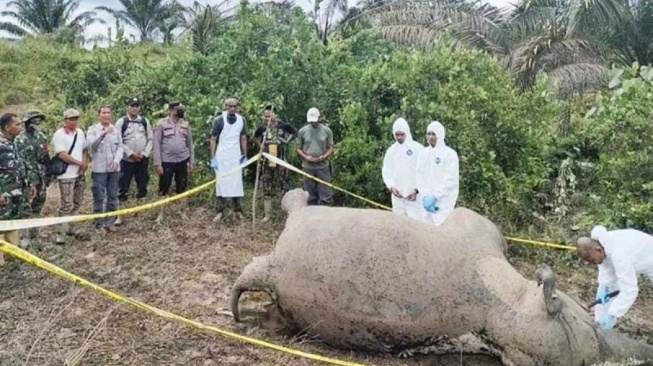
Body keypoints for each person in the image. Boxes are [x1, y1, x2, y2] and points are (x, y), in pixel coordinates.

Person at [577, 225, 653, 329]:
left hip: (649, 256)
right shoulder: (603, 246)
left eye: (592, 260)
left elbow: (630, 290)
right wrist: (604, 287)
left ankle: (607, 321)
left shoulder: (619, 256)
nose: (592, 264)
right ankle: (600, 326)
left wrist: (613, 314)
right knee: (607, 288)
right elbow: (606, 271)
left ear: (598, 250)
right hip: (634, 256)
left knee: (625, 288)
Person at [152, 101, 195, 222]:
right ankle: (161, 214)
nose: (181, 110)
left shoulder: (185, 124)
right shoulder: (161, 124)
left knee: (182, 187)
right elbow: (156, 144)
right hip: (166, 161)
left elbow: (190, 143)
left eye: (182, 107)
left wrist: (192, 161)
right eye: (178, 108)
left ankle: (182, 212)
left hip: (182, 160)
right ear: (171, 110)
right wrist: (158, 163)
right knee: (164, 188)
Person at [253, 104, 297, 222]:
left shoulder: (283, 125)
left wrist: (286, 142)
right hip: (267, 162)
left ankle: (287, 213)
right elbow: (255, 137)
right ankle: (268, 214)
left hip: (281, 160)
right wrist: (260, 148)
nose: (267, 119)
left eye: (269, 116)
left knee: (284, 186)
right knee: (266, 184)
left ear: (275, 114)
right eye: (265, 116)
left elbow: (294, 132)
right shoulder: (263, 127)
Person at [0, 113, 34, 265]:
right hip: (4, 193)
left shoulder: (15, 143)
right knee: (1, 223)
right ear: (7, 127)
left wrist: (29, 184)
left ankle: (13, 253)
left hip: (18, 191)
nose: (20, 127)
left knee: (14, 221)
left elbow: (22, 166)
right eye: (17, 124)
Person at [51, 108, 89, 244]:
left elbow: (84, 149)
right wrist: (79, 163)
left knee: (77, 202)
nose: (74, 121)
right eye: (71, 119)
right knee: (66, 204)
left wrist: (83, 165)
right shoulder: (59, 134)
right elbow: (62, 154)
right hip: (66, 174)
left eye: (76, 118)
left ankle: (71, 227)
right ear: (65, 120)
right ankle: (60, 232)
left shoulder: (80, 133)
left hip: (79, 173)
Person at [114, 97, 153, 225]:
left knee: (142, 184)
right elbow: (118, 141)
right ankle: (121, 215)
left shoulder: (144, 121)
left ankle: (139, 211)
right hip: (126, 161)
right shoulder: (121, 122)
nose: (135, 108)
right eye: (132, 105)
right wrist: (130, 153)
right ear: (127, 107)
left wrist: (145, 153)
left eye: (137, 105)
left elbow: (150, 139)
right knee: (123, 186)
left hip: (142, 160)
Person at [15, 109, 50, 246]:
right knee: (25, 207)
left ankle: (35, 233)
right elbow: (18, 161)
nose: (37, 123)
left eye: (39, 121)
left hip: (41, 176)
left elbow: (45, 157)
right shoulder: (19, 139)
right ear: (27, 122)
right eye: (34, 121)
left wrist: (49, 173)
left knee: (39, 204)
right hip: (26, 178)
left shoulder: (41, 137)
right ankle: (25, 236)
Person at [210, 97, 248, 222]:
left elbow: (243, 138)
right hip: (222, 156)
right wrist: (213, 157)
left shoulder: (242, 120)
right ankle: (219, 211)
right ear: (225, 106)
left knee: (236, 182)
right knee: (221, 183)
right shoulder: (219, 120)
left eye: (235, 106)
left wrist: (244, 155)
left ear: (237, 107)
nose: (232, 108)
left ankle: (237, 210)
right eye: (230, 106)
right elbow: (213, 139)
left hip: (235, 156)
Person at [86, 105, 123, 232]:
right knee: (99, 196)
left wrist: (117, 160)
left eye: (108, 112)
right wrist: (103, 134)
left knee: (113, 196)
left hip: (114, 170)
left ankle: (110, 222)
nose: (106, 115)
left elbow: (120, 147)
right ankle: (98, 224)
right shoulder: (92, 130)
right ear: (99, 115)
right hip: (99, 170)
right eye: (104, 113)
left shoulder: (116, 130)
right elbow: (91, 146)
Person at [415, 120, 459, 225]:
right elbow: (419, 176)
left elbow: (451, 181)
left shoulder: (449, 154)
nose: (430, 137)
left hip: (442, 205)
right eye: (429, 134)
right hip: (425, 204)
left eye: (433, 134)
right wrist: (425, 196)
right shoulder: (423, 153)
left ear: (440, 135)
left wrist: (435, 197)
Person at [381, 118, 424, 220]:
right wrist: (391, 187)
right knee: (398, 225)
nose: (399, 137)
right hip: (398, 198)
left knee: (417, 226)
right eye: (397, 134)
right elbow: (387, 171)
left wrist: (416, 190)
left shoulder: (418, 149)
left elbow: (424, 172)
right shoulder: (391, 151)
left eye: (402, 134)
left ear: (407, 133)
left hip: (415, 198)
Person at [296, 107, 334, 206]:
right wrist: (305, 157)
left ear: (319, 118)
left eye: (314, 121)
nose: (313, 123)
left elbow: (331, 148)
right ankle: (310, 213)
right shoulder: (302, 131)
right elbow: (298, 148)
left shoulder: (327, 130)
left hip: (323, 165)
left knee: (326, 193)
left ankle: (326, 213)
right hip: (307, 166)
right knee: (309, 194)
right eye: (311, 121)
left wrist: (324, 156)